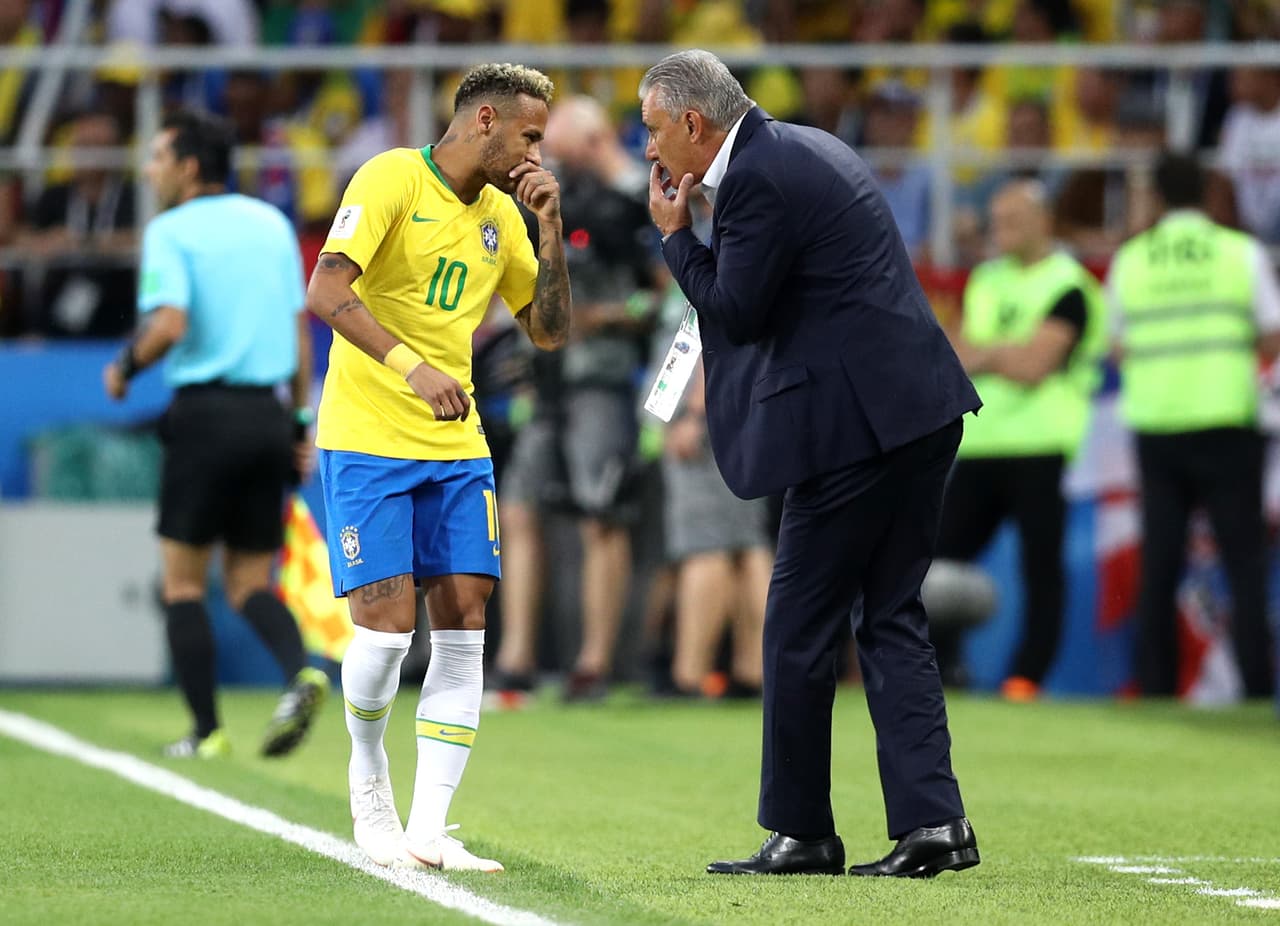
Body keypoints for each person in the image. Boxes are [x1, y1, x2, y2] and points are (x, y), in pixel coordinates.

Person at [640, 49, 982, 878]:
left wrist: (676, 240)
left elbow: (737, 313)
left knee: (794, 628)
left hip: (859, 429)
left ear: (694, 122)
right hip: (915, 409)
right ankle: (934, 826)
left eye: (653, 130)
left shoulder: (759, 175)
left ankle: (802, 834)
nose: (649, 151)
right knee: (891, 615)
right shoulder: (801, 147)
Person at [304, 63, 570, 873]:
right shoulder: (390, 177)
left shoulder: (504, 217)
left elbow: (550, 332)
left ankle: (429, 829)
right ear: (483, 119)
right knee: (385, 636)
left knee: (464, 628)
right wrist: (412, 365)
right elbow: (326, 289)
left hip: (457, 449)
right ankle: (368, 776)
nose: (535, 154)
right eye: (528, 135)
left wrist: (552, 234)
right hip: (368, 436)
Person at [102, 109, 328, 760]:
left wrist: (123, 367)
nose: (150, 170)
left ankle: (207, 732)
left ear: (189, 166)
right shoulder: (272, 225)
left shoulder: (171, 230)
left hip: (204, 417)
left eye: (157, 157)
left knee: (182, 584)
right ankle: (301, 672)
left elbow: (170, 323)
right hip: (267, 418)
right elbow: (297, 334)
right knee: (252, 582)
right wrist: (298, 424)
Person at [493, 94, 659, 703]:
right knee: (518, 508)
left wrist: (604, 315)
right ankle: (517, 659)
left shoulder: (627, 207)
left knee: (602, 514)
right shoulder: (534, 211)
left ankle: (593, 663)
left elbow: (663, 297)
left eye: (559, 153)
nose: (548, 165)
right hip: (547, 384)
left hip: (603, 383)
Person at [1107, 151, 1280, 699]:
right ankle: (1256, 691)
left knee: (1159, 565)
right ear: (1207, 191)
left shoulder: (1132, 259)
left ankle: (1156, 690)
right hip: (1227, 418)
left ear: (1155, 196)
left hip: (1159, 424)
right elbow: (1272, 332)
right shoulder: (1240, 252)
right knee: (1244, 564)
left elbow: (1116, 348)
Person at [937, 179, 1106, 699]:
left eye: (1012, 221)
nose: (1000, 231)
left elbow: (1035, 366)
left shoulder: (1070, 285)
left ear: (1044, 223)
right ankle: (944, 668)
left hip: (1043, 445)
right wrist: (999, 354)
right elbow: (954, 353)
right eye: (996, 221)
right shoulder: (985, 279)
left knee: (1041, 569)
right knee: (936, 564)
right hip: (982, 442)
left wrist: (987, 353)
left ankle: (1026, 677)